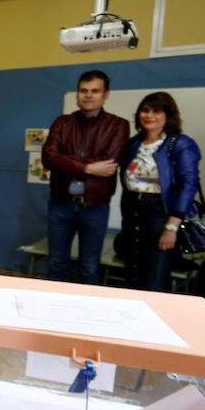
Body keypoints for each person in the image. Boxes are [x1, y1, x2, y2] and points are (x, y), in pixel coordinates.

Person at [42, 70, 129, 284]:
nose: (88, 95)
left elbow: (109, 163)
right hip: (60, 204)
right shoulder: (62, 122)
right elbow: (48, 158)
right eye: (83, 90)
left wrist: (66, 161)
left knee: (89, 266)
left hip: (95, 208)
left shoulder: (118, 125)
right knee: (56, 262)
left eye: (95, 91)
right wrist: (89, 169)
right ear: (77, 93)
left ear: (105, 94)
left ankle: (86, 314)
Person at [119, 92, 201, 292]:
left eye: (156, 111)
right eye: (145, 110)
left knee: (155, 276)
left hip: (161, 214)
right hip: (132, 210)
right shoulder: (134, 143)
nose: (149, 115)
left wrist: (171, 227)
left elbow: (188, 184)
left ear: (168, 115)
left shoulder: (180, 144)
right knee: (133, 272)